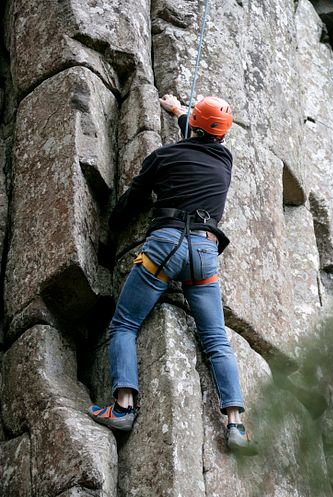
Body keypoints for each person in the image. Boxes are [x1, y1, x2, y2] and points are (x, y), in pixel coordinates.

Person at [88, 94, 255, 454]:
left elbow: (134, 197)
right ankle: (236, 424)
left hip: (165, 247)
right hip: (204, 255)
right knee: (215, 339)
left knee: (125, 324)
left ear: (194, 126)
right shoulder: (225, 159)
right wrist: (180, 111)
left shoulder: (164, 157)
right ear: (222, 135)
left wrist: (109, 229)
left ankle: (123, 407)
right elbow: (202, 135)